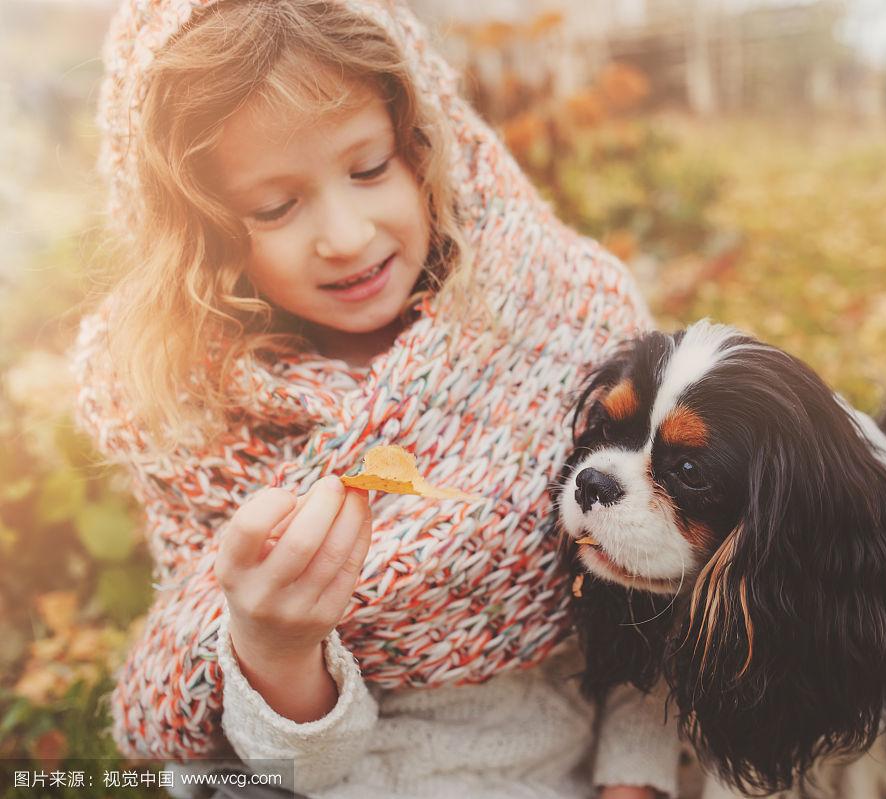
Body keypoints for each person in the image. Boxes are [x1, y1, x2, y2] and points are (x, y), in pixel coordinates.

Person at [71, 1, 679, 796]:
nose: (347, 234)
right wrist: (276, 648)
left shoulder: (571, 320)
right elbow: (267, 764)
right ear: (202, 229)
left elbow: (657, 599)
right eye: (276, 207)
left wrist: (635, 780)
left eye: (369, 168)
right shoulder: (190, 412)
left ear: (424, 143)